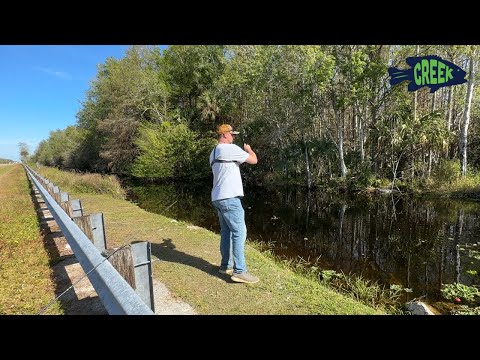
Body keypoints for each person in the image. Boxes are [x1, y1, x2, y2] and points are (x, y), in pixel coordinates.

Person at [210, 123, 259, 284]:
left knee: (227, 232)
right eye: (232, 134)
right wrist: (248, 149)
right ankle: (239, 271)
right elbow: (253, 160)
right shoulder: (229, 149)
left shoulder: (214, 152)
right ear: (224, 135)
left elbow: (231, 166)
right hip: (230, 198)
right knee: (240, 232)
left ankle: (226, 265)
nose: (234, 137)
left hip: (218, 197)